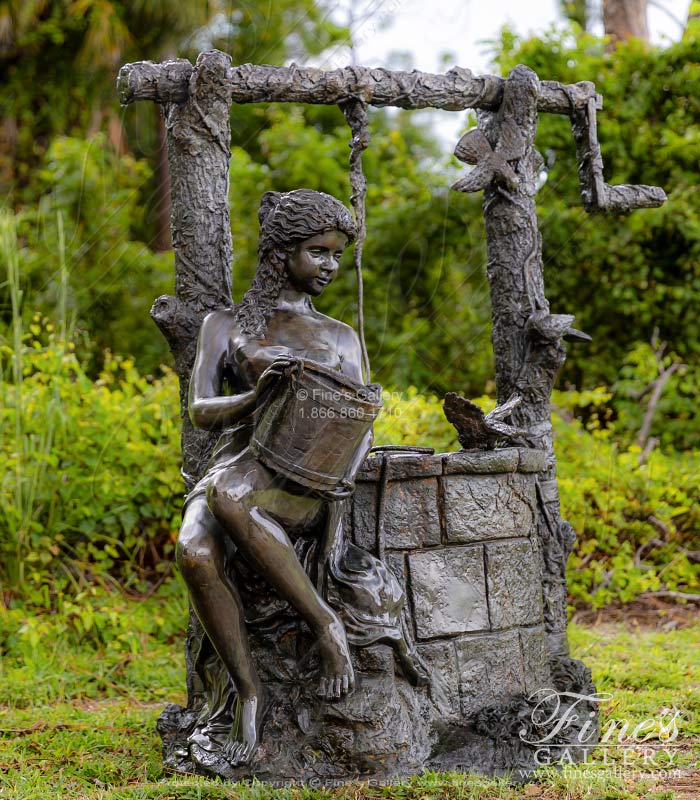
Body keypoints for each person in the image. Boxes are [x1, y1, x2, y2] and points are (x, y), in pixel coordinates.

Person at [176, 189, 426, 769]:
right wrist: (257, 394)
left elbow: (364, 418)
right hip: (236, 461)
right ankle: (248, 692)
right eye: (319, 252)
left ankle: (327, 625)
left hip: (307, 485)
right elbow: (200, 411)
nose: (331, 266)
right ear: (281, 252)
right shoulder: (228, 324)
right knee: (194, 549)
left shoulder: (341, 336)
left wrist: (341, 471)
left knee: (230, 495)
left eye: (338, 254)